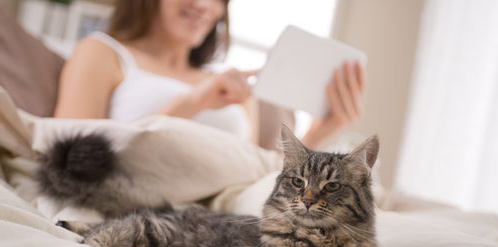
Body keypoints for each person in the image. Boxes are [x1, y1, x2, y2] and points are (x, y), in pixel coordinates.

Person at [54, 0, 365, 149]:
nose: (204, 5)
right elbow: (66, 156)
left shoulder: (230, 84)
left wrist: (318, 135)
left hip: (221, 225)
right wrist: (190, 104)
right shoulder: (103, 52)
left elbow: (260, 183)